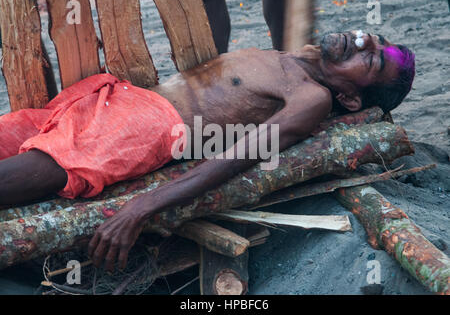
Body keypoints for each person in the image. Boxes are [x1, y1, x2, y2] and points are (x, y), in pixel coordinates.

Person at [0, 31, 415, 272]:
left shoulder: (311, 97)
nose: (361, 40)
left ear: (352, 99)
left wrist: (142, 207)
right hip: (107, 99)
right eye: (371, 38)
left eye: (371, 59)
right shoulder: (293, 57)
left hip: (141, 128)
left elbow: (237, 158)